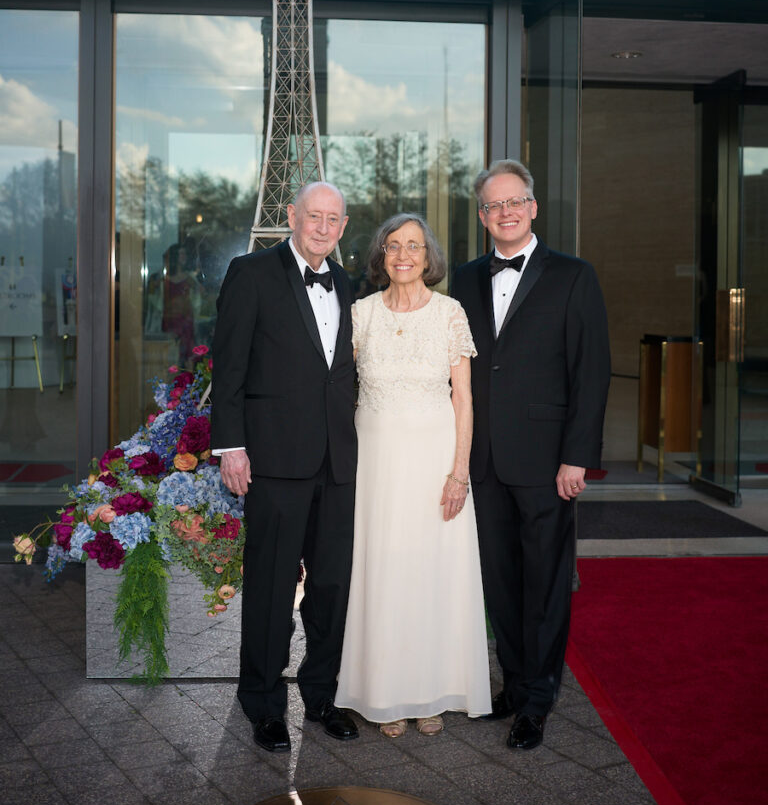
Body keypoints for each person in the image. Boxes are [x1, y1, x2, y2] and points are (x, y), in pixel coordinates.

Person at [452, 160, 610, 751]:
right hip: (484, 459)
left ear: (533, 207)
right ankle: (514, 685)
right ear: (483, 215)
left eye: (515, 201)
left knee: (544, 583)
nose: (506, 212)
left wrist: (577, 458)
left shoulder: (574, 276)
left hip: (547, 460)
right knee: (500, 580)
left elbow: (589, 375)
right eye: (494, 205)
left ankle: (539, 701)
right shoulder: (465, 280)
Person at [211, 182, 359, 753]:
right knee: (271, 587)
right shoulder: (250, 273)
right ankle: (264, 704)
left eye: (333, 219)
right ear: (291, 217)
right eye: (313, 216)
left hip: (337, 463)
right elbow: (229, 370)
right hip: (272, 460)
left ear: (343, 227)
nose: (322, 227)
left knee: (330, 586)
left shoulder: (346, 281)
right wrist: (232, 447)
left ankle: (321, 696)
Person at [335, 214, 491, 737]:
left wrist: (459, 473)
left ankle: (429, 690)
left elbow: (465, 400)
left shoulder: (450, 314)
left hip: (435, 465)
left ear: (429, 257)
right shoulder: (359, 315)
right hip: (376, 468)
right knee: (383, 574)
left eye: (415, 247)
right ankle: (384, 691)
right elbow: (336, 391)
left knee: (431, 574)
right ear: (381, 256)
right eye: (394, 246)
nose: (404, 255)